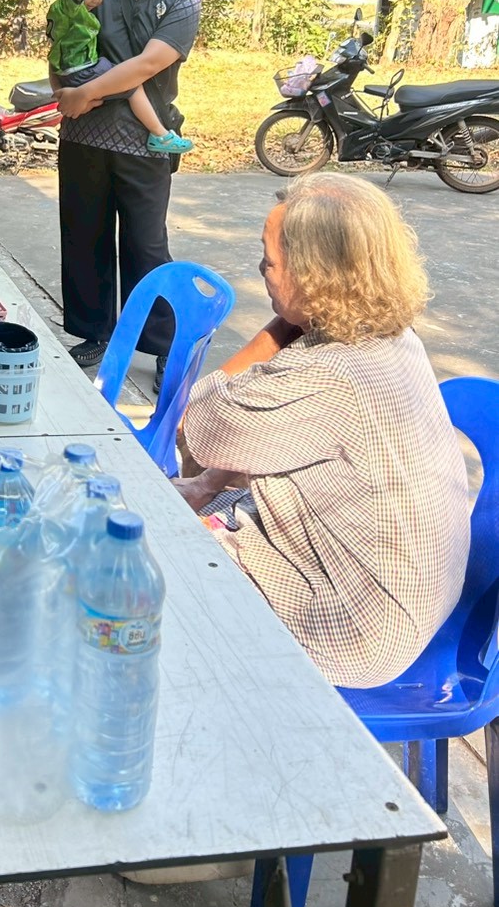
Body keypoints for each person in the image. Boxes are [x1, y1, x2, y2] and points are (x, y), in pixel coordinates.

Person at [176, 175, 470, 688]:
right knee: (187, 508)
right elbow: (248, 443)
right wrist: (204, 486)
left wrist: (283, 325)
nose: (261, 270)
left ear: (315, 276)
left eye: (269, 261)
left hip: (354, 626)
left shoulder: (330, 374)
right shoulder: (393, 336)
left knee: (140, 566)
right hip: (406, 597)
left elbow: (199, 421)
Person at [53, 0, 201, 377]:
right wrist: (62, 89)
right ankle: (95, 333)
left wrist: (84, 93)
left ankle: (164, 345)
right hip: (86, 136)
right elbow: (65, 39)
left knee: (147, 246)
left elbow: (148, 64)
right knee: (85, 238)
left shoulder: (181, 2)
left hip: (146, 140)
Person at [47, 0, 194, 156]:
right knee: (131, 83)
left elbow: (52, 53)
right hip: (80, 70)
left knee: (109, 77)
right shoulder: (72, 5)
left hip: (70, 71)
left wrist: (61, 89)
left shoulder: (63, 12)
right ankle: (159, 134)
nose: (97, 0)